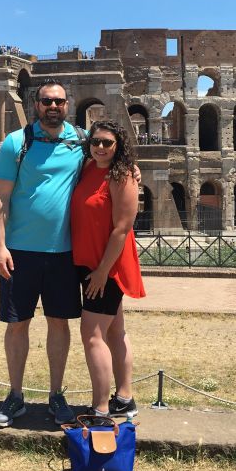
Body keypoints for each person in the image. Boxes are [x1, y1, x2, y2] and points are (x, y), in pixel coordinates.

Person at [0, 78, 86, 427]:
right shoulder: (17, 143)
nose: (53, 107)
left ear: (67, 104)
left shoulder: (81, 141)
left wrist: (132, 169)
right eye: (47, 101)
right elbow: (0, 197)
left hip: (63, 252)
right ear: (36, 105)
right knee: (17, 324)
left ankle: (56, 394)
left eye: (59, 101)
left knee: (59, 323)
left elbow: (112, 162)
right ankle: (15, 396)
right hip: (19, 252)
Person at [71, 120, 146, 422]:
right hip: (89, 261)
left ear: (119, 147)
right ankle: (125, 399)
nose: (100, 147)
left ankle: (100, 408)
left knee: (92, 335)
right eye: (96, 141)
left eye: (107, 143)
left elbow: (122, 228)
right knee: (115, 330)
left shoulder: (123, 176)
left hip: (106, 266)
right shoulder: (89, 167)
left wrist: (103, 271)